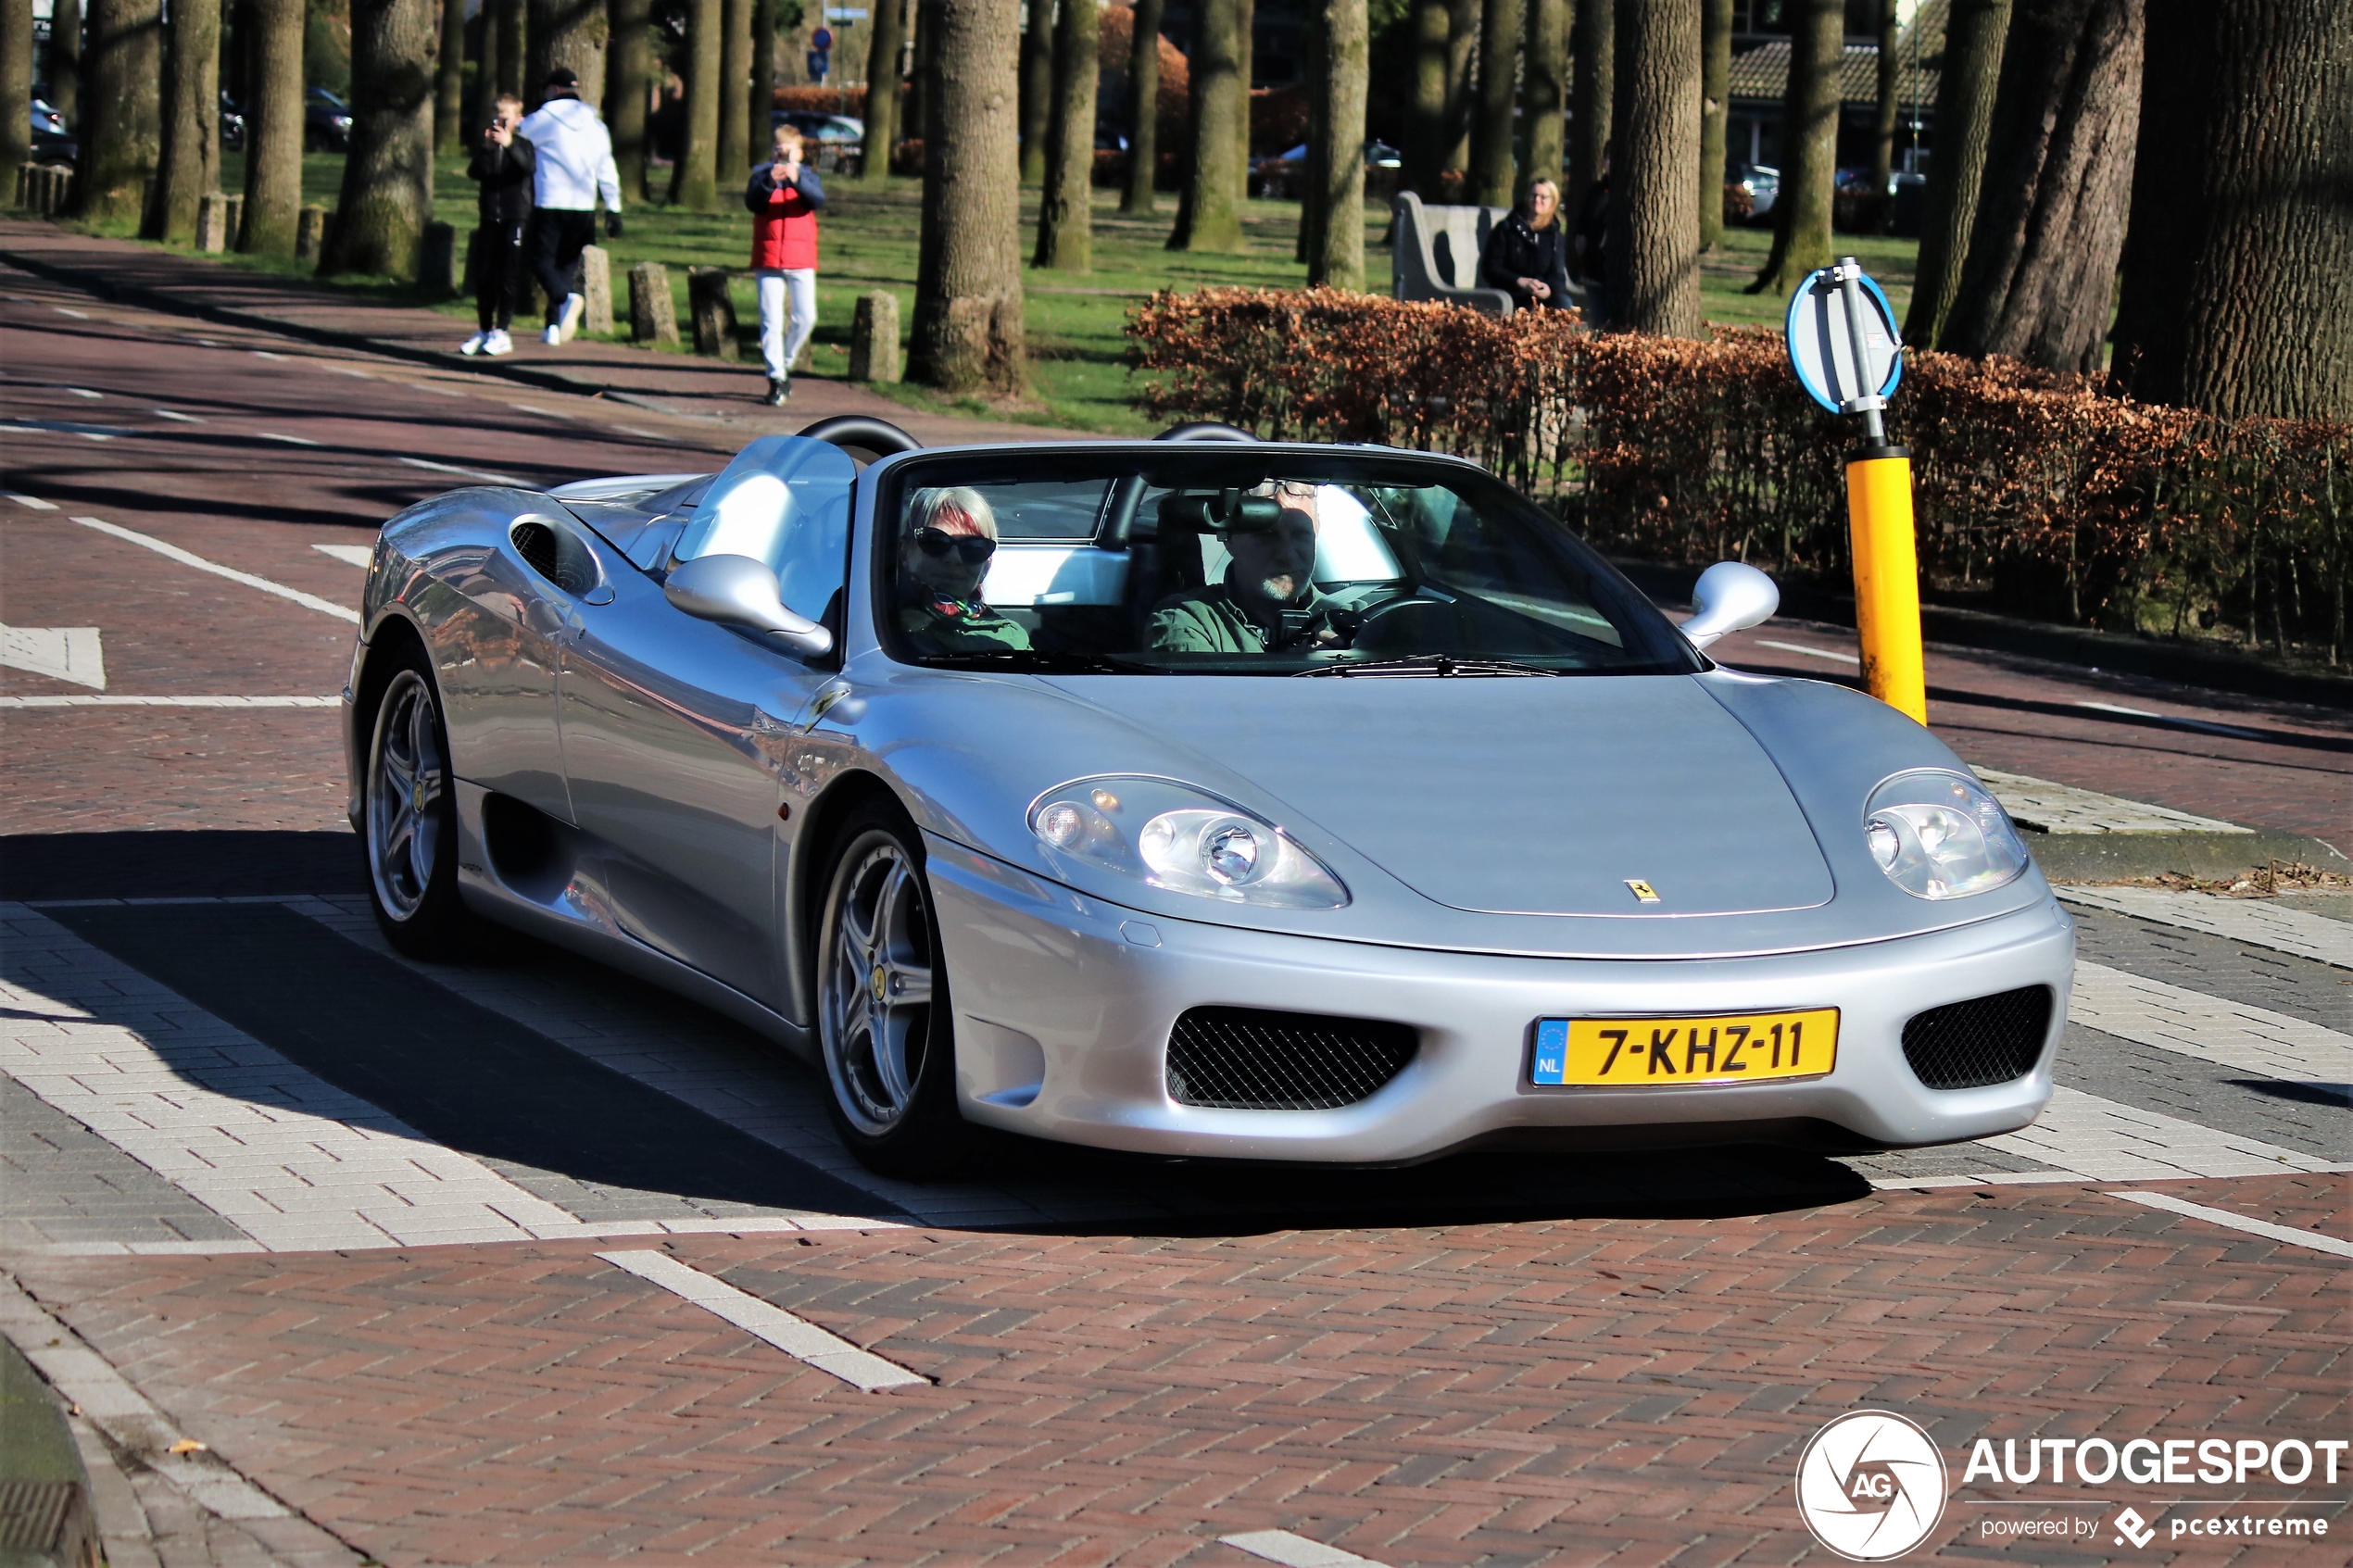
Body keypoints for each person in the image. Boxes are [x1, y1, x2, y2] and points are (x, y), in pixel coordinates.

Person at [1148, 483, 1337, 655]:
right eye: (1266, 535)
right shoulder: (1188, 619)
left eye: (1300, 534)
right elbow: (1195, 692)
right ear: (1228, 538)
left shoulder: (1353, 616)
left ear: (1317, 530)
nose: (1287, 555)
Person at [517, 67, 622, 346]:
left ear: (554, 90)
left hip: (550, 201)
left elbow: (516, 137)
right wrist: (613, 207)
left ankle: (565, 300)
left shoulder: (543, 120)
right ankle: (552, 326)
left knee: (537, 259)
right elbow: (607, 167)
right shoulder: (596, 125)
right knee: (564, 265)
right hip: (584, 206)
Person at [745, 123, 824, 407]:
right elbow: (753, 203)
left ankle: (785, 361)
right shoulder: (760, 176)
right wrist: (770, 182)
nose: (782, 155)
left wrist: (796, 180)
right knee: (771, 320)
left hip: (801, 259)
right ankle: (776, 377)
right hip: (768, 259)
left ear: (799, 154)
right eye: (777, 150)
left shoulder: (809, 178)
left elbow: (817, 200)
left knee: (806, 317)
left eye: (788, 150)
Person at [898, 488, 1030, 655]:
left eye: (974, 547)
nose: (955, 558)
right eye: (935, 540)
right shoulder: (881, 624)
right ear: (905, 551)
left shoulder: (1012, 634)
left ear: (986, 567)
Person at [459, 94, 535, 358]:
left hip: (515, 216)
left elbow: (527, 168)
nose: (500, 123)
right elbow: (474, 173)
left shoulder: (524, 145)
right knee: (485, 276)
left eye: (505, 118)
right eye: (496, 117)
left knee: (508, 275)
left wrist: (510, 145)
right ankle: (483, 329)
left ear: (517, 120)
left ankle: (502, 331)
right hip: (490, 217)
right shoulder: (489, 148)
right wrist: (486, 150)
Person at [1480, 177, 1572, 315]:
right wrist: (1519, 281)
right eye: (1533, 195)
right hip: (1510, 292)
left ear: (1553, 202)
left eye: (1543, 197)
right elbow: (1490, 267)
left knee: (1564, 303)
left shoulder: (1555, 236)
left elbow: (1557, 275)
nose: (1537, 200)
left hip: (1540, 296)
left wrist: (1548, 291)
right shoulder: (1506, 228)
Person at [1570, 146, 1612, 330]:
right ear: (1603, 162)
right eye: (1610, 158)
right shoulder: (1596, 192)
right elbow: (1583, 226)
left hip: (1620, 274)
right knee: (1598, 324)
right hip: (1594, 272)